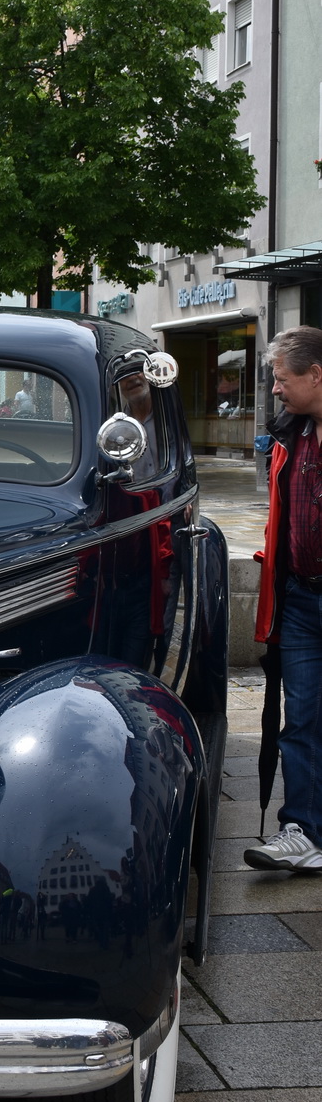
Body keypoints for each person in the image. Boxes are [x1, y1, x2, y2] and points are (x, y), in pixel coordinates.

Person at [248, 326, 322, 872]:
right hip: (298, 600)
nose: (276, 389)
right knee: (300, 720)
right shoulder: (289, 436)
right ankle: (301, 830)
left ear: (316, 374)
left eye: (282, 378)